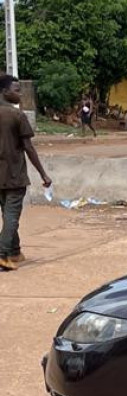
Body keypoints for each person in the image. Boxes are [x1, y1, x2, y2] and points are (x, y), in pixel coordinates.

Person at [0, 75, 53, 271]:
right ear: (5, 92)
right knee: (12, 215)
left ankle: (14, 250)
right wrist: (43, 174)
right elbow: (29, 148)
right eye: (16, 90)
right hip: (14, 174)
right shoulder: (17, 116)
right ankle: (3, 254)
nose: (20, 94)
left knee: (7, 213)